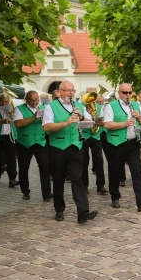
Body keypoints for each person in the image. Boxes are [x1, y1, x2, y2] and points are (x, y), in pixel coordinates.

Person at [43, 81, 98, 224]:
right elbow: (47, 127)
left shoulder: (79, 105)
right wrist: (66, 123)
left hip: (76, 146)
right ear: (60, 91)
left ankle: (83, 213)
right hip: (58, 148)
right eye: (68, 90)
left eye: (73, 90)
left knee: (77, 179)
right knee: (59, 180)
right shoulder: (51, 106)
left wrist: (81, 117)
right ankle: (59, 210)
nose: (71, 93)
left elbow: (90, 122)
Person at [104, 83, 141, 212]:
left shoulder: (136, 105)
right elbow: (107, 124)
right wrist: (124, 124)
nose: (128, 95)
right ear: (119, 93)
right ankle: (115, 196)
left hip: (133, 143)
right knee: (115, 172)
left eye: (130, 93)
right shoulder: (111, 106)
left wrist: (139, 116)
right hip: (116, 144)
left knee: (137, 173)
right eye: (125, 93)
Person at [13, 91, 52, 200]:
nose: (35, 102)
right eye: (32, 100)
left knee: (45, 166)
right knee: (24, 168)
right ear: (26, 99)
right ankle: (25, 191)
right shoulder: (19, 109)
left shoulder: (43, 108)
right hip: (24, 142)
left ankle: (47, 193)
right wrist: (33, 118)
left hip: (40, 141)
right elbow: (18, 124)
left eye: (36, 100)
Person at [81, 98, 107, 195]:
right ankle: (84, 186)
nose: (90, 100)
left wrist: (97, 121)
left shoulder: (99, 107)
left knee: (99, 161)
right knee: (84, 161)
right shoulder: (81, 106)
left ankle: (101, 186)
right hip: (84, 136)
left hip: (96, 136)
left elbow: (102, 122)